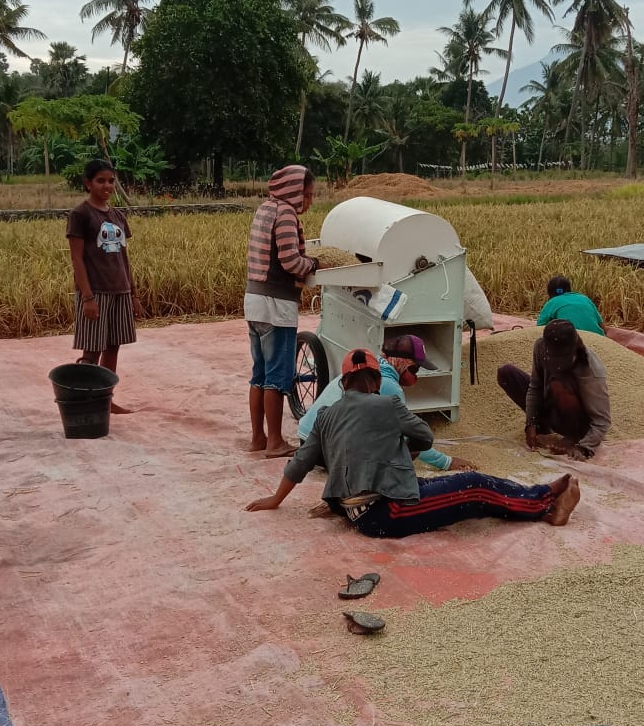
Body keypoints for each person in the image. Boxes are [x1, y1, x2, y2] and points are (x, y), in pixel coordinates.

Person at [246, 347, 581, 536]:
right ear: (377, 380)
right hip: (384, 513)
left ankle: (536, 495)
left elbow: (301, 462)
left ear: (343, 381)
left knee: (447, 487)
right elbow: (424, 436)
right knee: (474, 485)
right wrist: (402, 447)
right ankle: (543, 505)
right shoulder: (387, 403)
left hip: (354, 507)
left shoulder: (326, 414)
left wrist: (275, 499)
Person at [298, 333, 476, 472]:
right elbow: (409, 436)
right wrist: (446, 462)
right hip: (323, 451)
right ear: (400, 362)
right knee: (401, 448)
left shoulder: (369, 368)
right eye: (414, 369)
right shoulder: (389, 385)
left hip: (306, 439)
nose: (416, 376)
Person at [244, 165, 324, 458]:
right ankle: (276, 442)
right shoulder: (286, 213)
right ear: (294, 191)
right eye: (308, 195)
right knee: (277, 377)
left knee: (259, 374)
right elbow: (291, 260)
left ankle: (258, 438)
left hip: (254, 301)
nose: (310, 202)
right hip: (276, 305)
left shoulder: (265, 208)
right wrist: (315, 264)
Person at [66, 159, 142, 414]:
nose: (107, 186)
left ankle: (105, 399)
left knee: (113, 346)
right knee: (92, 349)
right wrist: (87, 297)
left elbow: (124, 257)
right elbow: (77, 259)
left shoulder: (118, 216)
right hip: (95, 291)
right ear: (88, 183)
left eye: (111, 181)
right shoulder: (80, 215)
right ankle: (83, 401)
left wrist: (133, 293)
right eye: (100, 181)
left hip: (119, 289)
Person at [497, 319, 611, 461]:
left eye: (560, 358)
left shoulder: (590, 369)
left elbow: (602, 421)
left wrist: (584, 447)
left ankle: (572, 436)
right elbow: (535, 387)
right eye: (551, 356)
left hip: (578, 421)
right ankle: (542, 426)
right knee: (507, 373)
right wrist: (531, 423)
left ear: (574, 350)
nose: (555, 362)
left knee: (558, 384)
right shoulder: (540, 347)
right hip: (551, 405)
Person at [537, 276, 606, 336]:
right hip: (598, 338)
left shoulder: (552, 302)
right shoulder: (584, 298)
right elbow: (602, 326)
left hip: (574, 343)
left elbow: (539, 329)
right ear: (569, 289)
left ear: (550, 292)